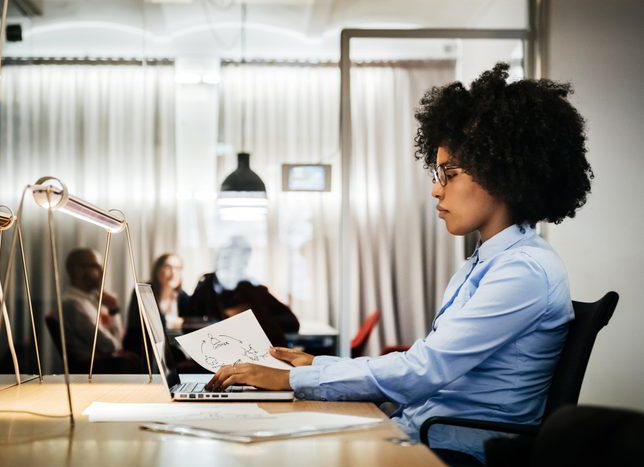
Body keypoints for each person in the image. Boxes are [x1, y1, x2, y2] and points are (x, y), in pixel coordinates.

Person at [206, 63, 593, 464]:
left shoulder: (523, 271)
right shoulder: (485, 264)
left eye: (450, 173)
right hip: (421, 430)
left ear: (503, 171)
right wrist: (318, 365)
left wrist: (295, 378)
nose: (435, 189)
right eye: (437, 173)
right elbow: (424, 365)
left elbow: (424, 369)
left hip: (453, 449)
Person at [186, 236, 300, 347]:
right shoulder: (205, 287)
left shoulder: (254, 290)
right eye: (225, 254)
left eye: (233, 256)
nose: (225, 259)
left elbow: (291, 323)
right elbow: (189, 325)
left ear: (244, 262)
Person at [61, 248, 125, 364]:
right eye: (95, 266)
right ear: (77, 270)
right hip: (97, 371)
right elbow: (111, 346)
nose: (102, 271)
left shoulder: (90, 300)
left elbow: (118, 340)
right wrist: (113, 309)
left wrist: (113, 308)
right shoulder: (74, 304)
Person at [123, 253, 190, 360]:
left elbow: (190, 325)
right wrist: (170, 323)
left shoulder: (183, 297)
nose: (173, 273)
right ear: (158, 270)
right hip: (143, 349)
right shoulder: (143, 292)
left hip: (173, 351)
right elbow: (138, 328)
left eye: (177, 268)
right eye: (168, 267)